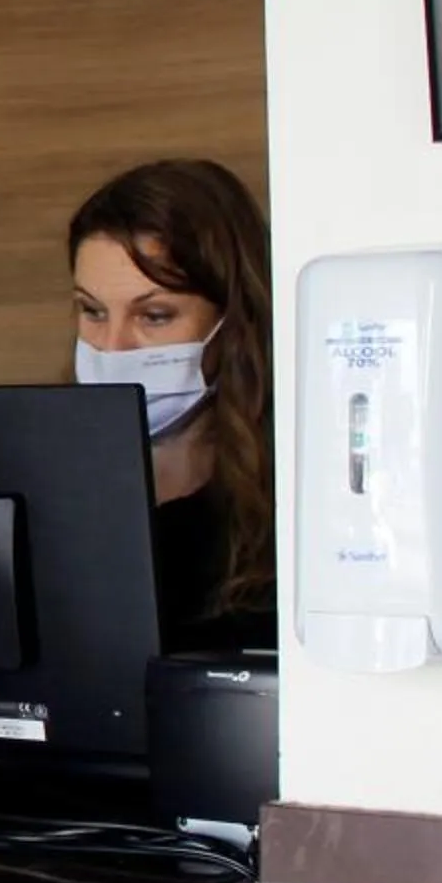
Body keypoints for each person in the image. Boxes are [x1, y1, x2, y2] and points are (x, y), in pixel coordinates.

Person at [66, 160, 277, 651]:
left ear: (234, 323)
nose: (113, 347)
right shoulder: (54, 486)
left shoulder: (287, 509)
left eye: (154, 315)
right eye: (92, 311)